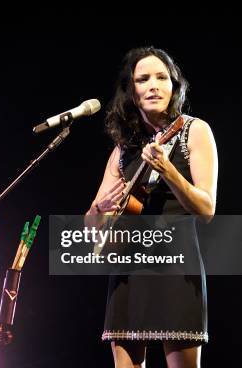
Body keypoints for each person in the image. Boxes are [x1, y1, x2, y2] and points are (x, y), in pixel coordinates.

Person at [85, 47, 218, 368]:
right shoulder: (124, 148)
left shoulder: (194, 131)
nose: (154, 85)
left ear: (175, 86)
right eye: (143, 79)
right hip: (128, 269)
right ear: (131, 91)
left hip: (176, 266)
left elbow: (207, 208)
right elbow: (91, 226)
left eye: (162, 77)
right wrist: (100, 208)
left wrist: (168, 170)